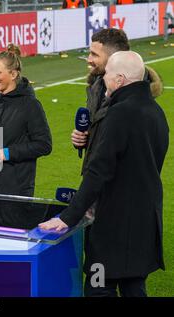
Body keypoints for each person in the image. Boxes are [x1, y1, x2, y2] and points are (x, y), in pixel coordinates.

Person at [39, 51, 169, 297]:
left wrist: (68, 217)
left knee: (98, 288)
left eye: (107, 73)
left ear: (119, 79)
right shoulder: (156, 112)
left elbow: (98, 170)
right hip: (144, 223)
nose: (103, 77)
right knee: (134, 288)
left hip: (114, 227)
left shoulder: (120, 114)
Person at [71, 28, 162, 176]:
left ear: (115, 58)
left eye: (94, 54)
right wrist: (84, 138)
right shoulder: (97, 85)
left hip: (121, 185)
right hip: (97, 178)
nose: (88, 59)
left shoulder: (138, 102)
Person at [0, 44, 52, 197]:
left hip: (16, 190)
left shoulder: (30, 106)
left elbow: (44, 145)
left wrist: (8, 153)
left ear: (13, 74)